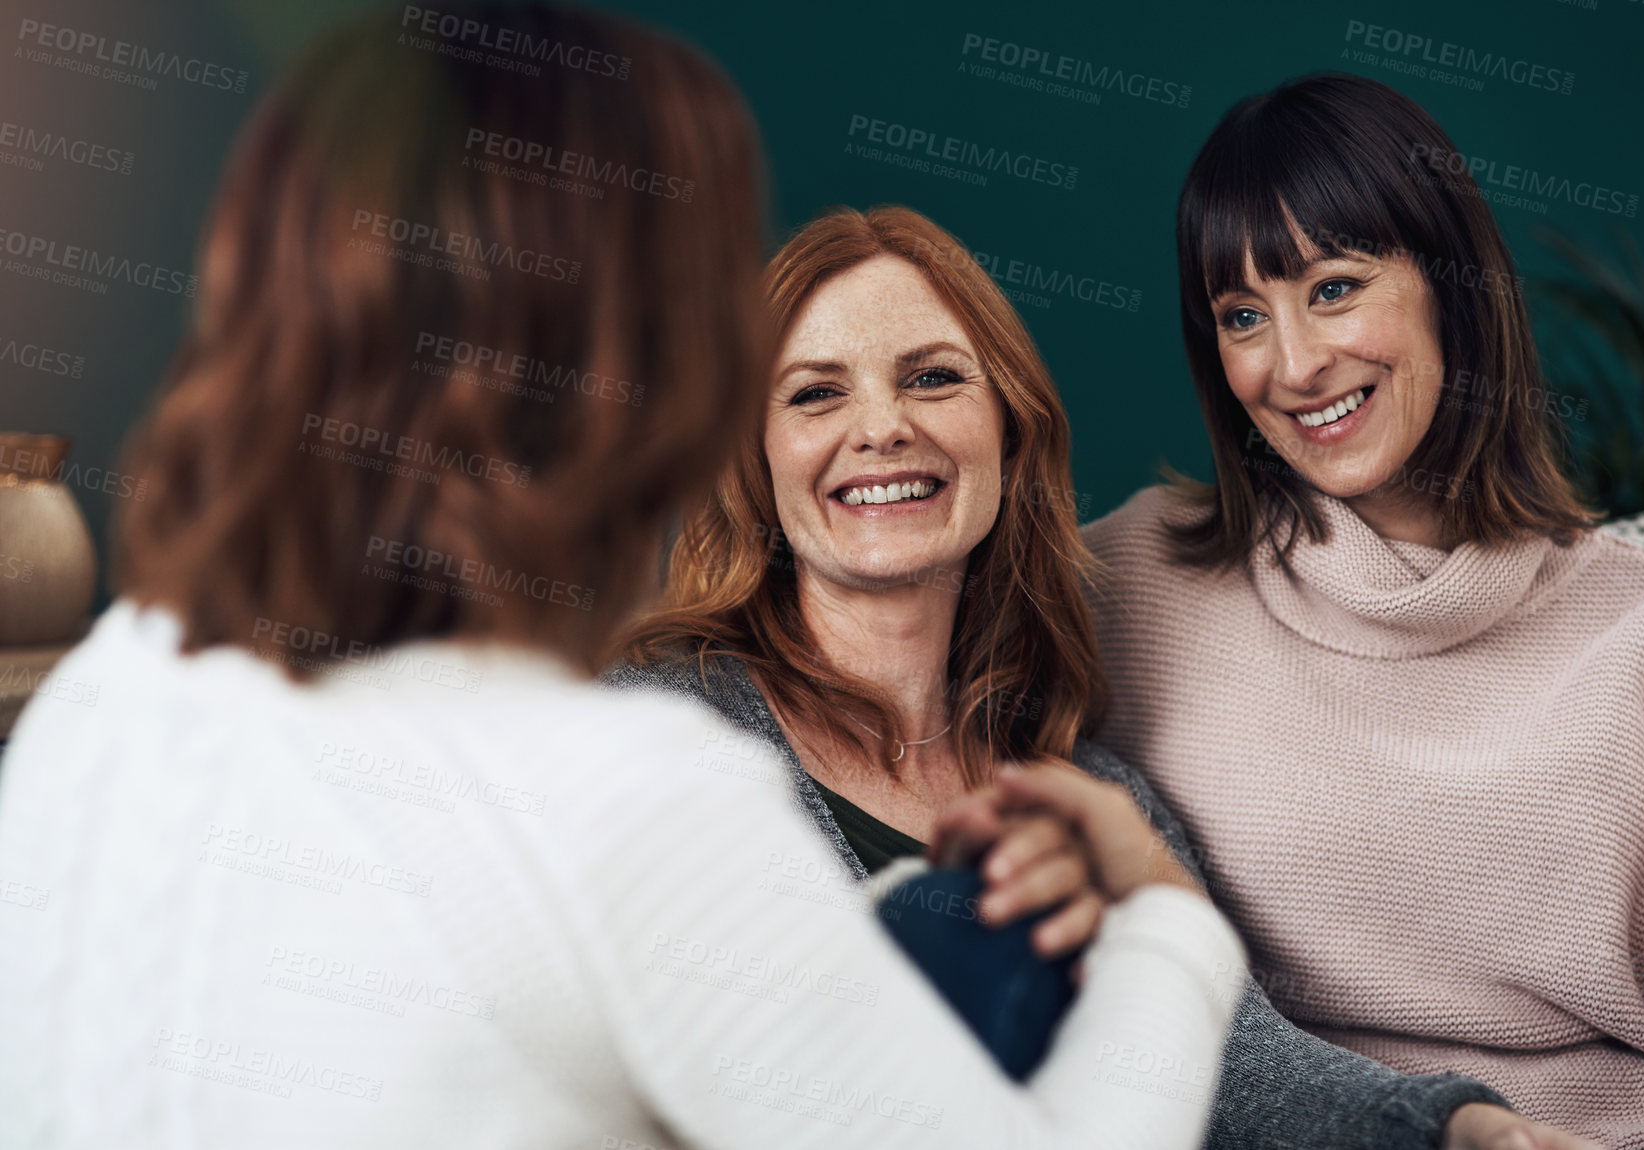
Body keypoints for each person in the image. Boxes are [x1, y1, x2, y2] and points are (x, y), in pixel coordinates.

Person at [0, 6, 1248, 1147]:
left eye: (933, 378)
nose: (879, 428)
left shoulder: (100, 703)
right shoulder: (636, 796)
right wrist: (1167, 920)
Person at [607, 203, 1597, 1149]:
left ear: (1010, 431)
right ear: (754, 457)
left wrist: (1461, 1128)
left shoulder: (1100, 803)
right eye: (816, 392)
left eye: (934, 379)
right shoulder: (651, 728)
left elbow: (1233, 1068)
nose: (883, 428)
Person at [1081, 71, 1644, 1150]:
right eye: (1243, 316)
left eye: (1334, 288)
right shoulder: (1132, 580)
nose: (1293, 365)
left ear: (1449, 284)